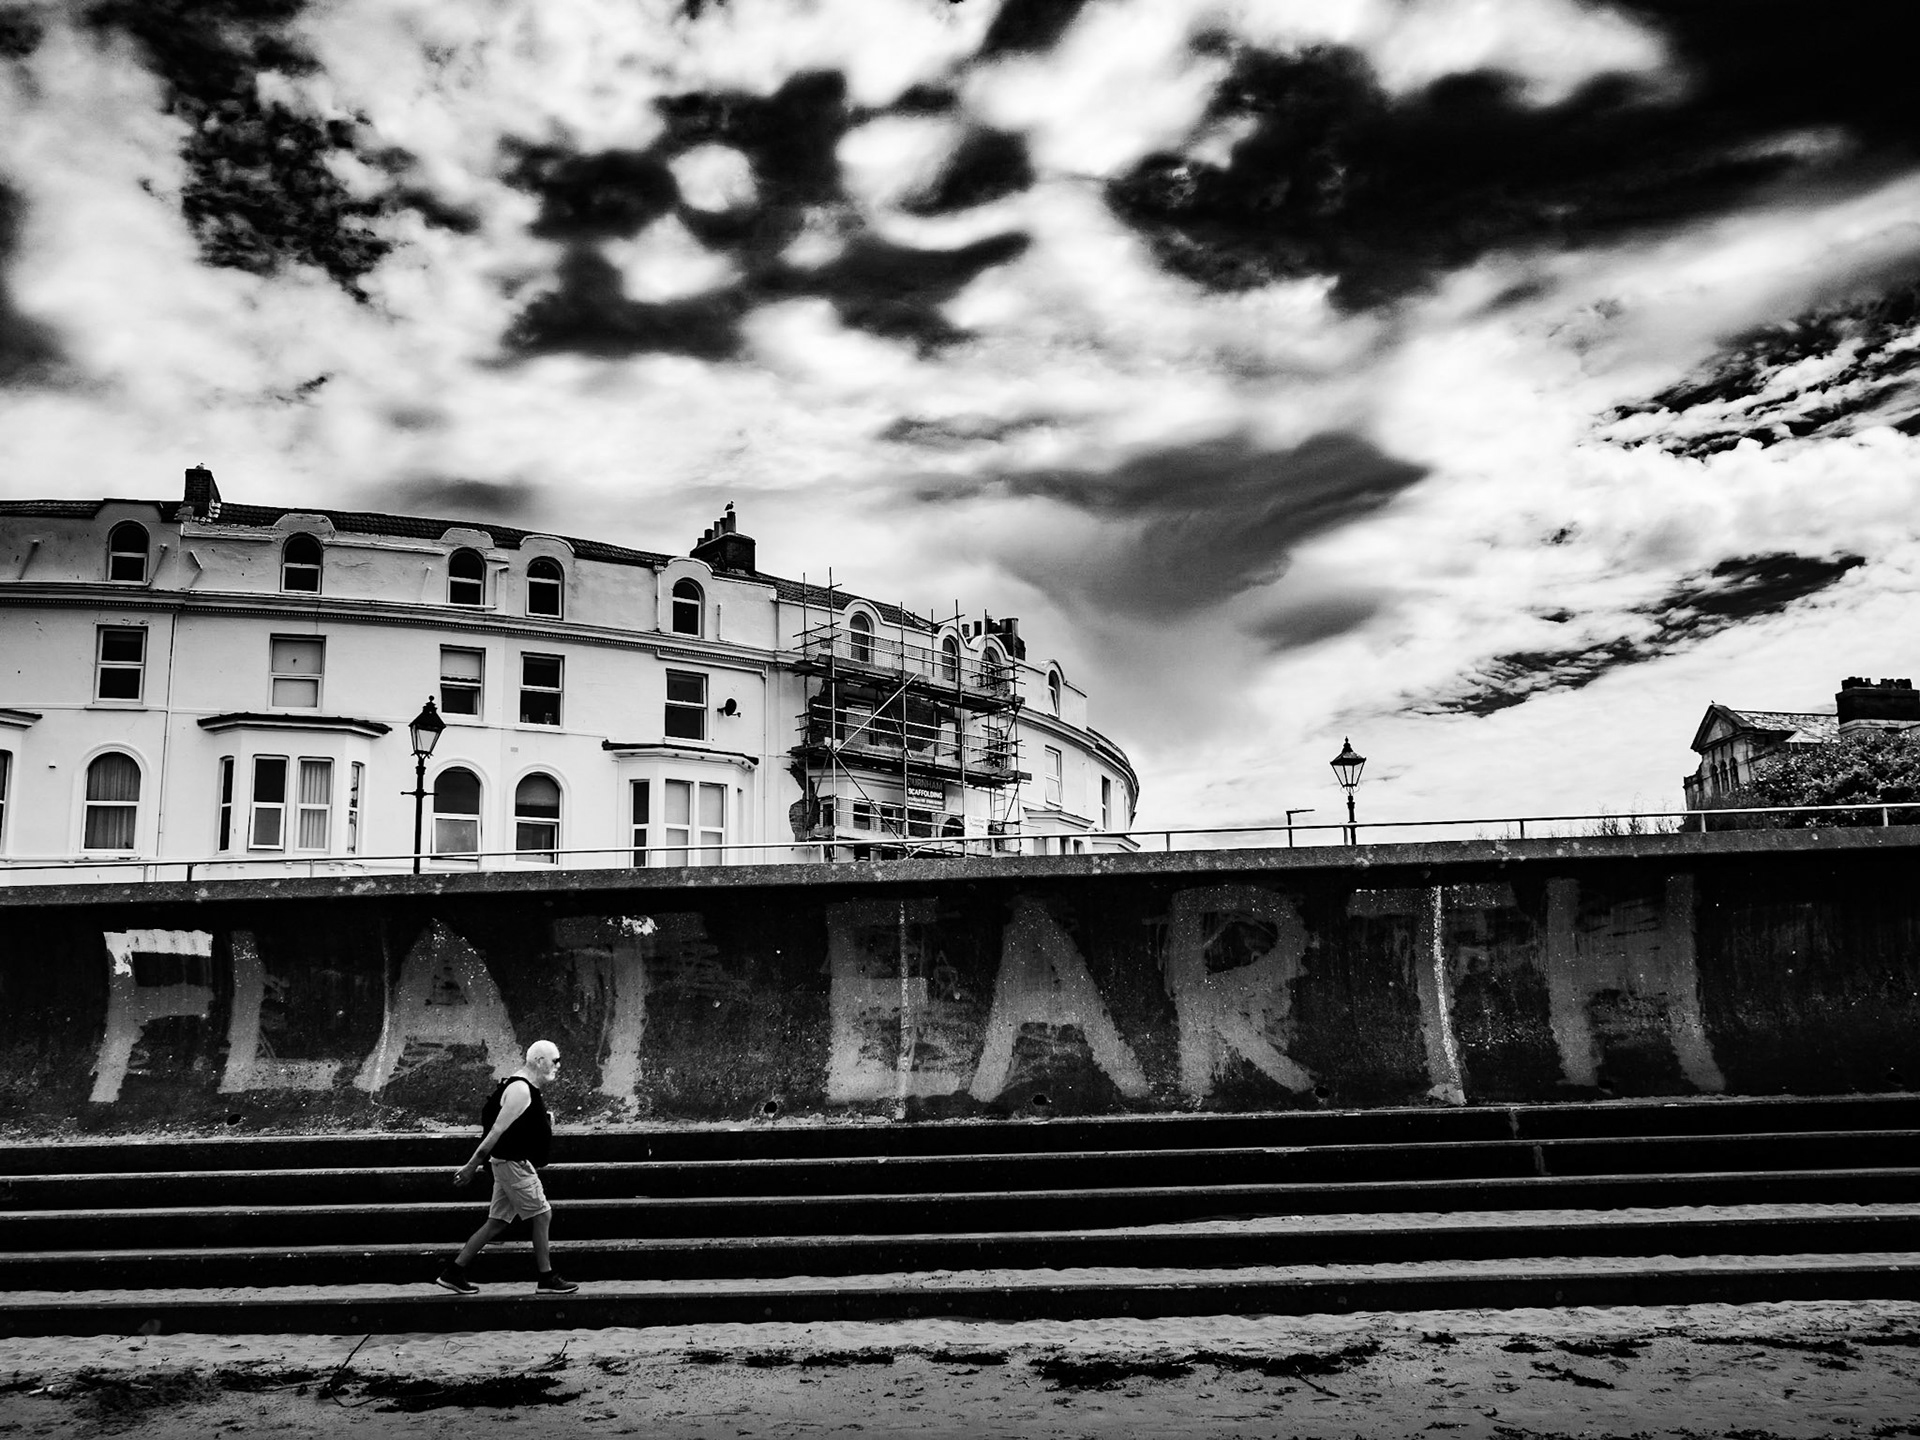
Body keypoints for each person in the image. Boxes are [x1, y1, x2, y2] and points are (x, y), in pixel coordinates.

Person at [434, 1039, 579, 1294]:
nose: (558, 1065)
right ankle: (546, 1278)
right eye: (555, 1060)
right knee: (543, 1215)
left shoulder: (522, 1086)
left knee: (497, 1222)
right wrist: (471, 1167)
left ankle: (453, 1273)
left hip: (509, 1163)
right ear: (539, 1060)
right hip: (512, 1165)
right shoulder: (520, 1089)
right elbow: (495, 1132)